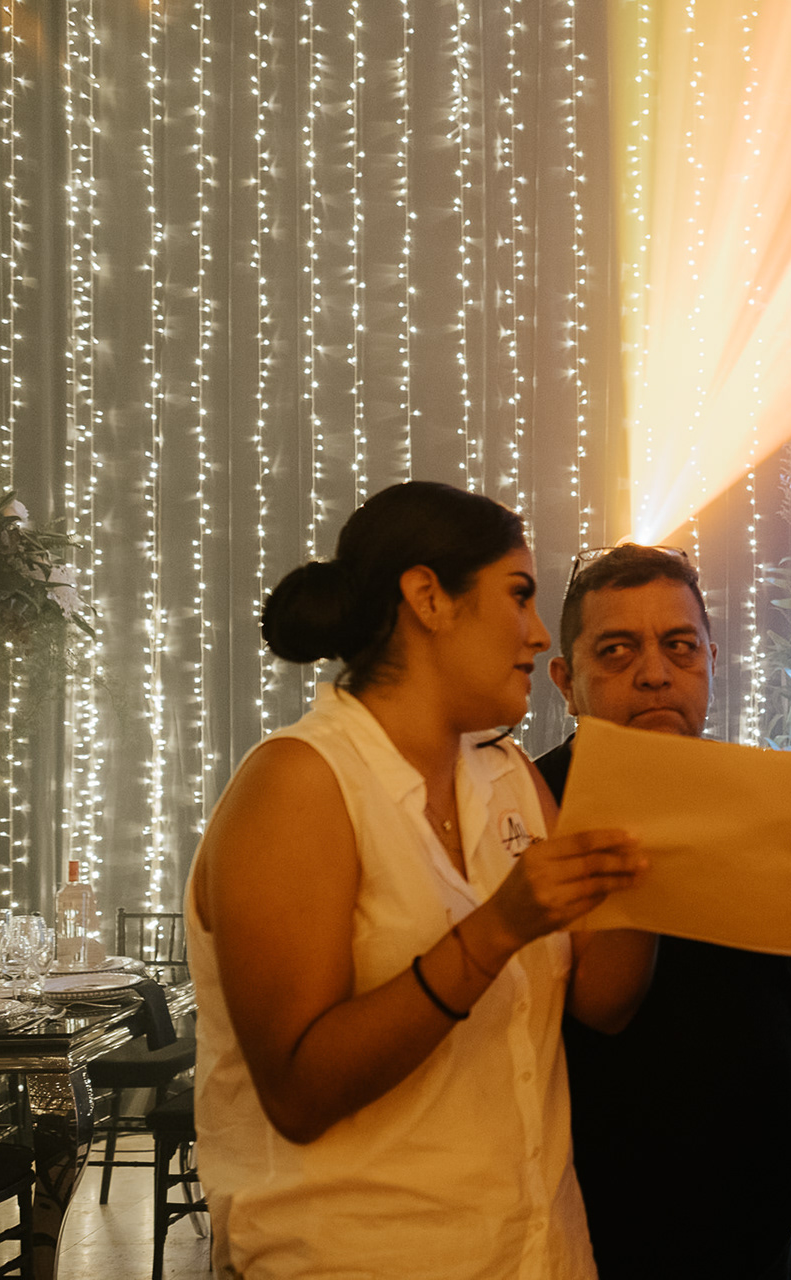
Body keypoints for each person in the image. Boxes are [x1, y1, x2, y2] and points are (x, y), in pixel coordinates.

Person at [186, 481, 657, 1280]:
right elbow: (298, 1094)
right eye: (518, 595)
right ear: (428, 598)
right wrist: (496, 929)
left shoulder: (508, 776)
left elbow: (605, 1002)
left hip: (536, 1254)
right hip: (355, 1260)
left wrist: (646, 800)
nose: (539, 633)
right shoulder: (300, 782)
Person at [534, 544, 791, 1279]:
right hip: (576, 1242)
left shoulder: (772, 807)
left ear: (712, 663)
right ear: (565, 681)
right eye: (617, 650)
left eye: (680, 646)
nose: (655, 673)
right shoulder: (520, 813)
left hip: (756, 1240)